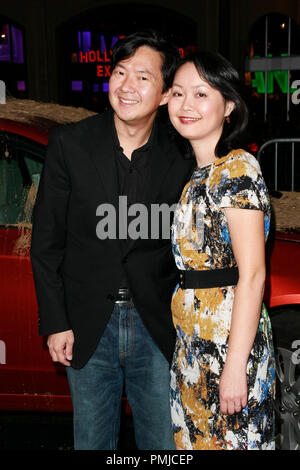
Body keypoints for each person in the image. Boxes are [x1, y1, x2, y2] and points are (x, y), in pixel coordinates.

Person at [30, 30, 194, 450]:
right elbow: (47, 242)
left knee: (161, 444)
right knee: (92, 440)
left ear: (163, 95)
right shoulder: (70, 144)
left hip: (156, 325)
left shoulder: (183, 157)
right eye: (120, 72)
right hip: (87, 325)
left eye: (142, 77)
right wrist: (55, 322)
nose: (126, 85)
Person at [167, 52, 276, 450]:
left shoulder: (237, 168)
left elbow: (253, 274)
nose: (186, 105)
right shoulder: (198, 174)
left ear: (229, 105)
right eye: (178, 93)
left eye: (201, 93)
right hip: (193, 351)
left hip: (228, 352)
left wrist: (235, 367)